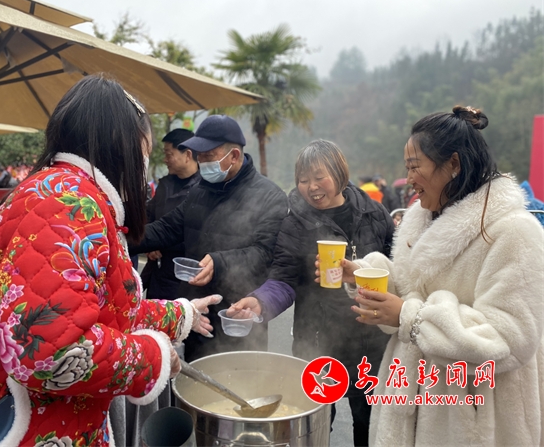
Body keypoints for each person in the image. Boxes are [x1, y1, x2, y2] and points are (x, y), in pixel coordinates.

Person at [0, 75, 221, 446]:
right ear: (122, 144)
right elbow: (51, 349)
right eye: (146, 150)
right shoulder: (66, 204)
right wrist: (152, 358)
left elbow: (102, 307)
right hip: (18, 427)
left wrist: (180, 314)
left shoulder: (64, 192)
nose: (145, 164)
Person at [328, 106, 544, 446]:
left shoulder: (515, 232)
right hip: (413, 394)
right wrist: (364, 275)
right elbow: (413, 287)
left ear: (453, 164)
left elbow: (510, 338)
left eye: (415, 166)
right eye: (407, 168)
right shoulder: (421, 219)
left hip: (473, 413)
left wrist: (409, 317)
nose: (409, 179)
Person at [229, 140, 394, 446]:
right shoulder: (295, 223)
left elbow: (394, 266)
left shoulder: (373, 213)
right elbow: (283, 279)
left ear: (339, 173)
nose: (312, 187)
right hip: (318, 343)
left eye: (319, 177)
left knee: (369, 424)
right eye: (303, 180)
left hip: (372, 343)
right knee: (315, 424)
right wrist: (259, 301)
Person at [130, 115, 288, 362]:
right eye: (199, 155)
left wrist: (220, 262)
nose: (201, 161)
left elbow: (265, 252)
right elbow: (167, 228)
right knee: (194, 376)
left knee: (238, 379)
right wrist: (119, 239)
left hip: (238, 316)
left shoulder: (270, 197)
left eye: (208, 155)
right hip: (198, 310)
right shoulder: (200, 191)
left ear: (233, 155)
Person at [141, 128, 200, 300]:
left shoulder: (203, 190)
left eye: (169, 154)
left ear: (187, 155)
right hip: (157, 272)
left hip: (183, 278)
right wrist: (149, 244)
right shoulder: (165, 185)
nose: (165, 160)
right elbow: (149, 215)